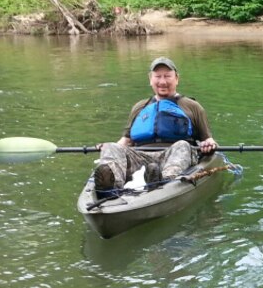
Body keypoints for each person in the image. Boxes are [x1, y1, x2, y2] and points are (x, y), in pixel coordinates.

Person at [92, 57, 218, 199]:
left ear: (176, 78)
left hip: (173, 155)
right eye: (158, 76)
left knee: (182, 145)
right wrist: (108, 148)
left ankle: (163, 182)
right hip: (141, 156)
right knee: (111, 147)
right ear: (150, 79)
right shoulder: (140, 107)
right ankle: (111, 186)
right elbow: (125, 141)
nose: (162, 82)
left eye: (167, 76)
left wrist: (208, 145)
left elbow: (208, 140)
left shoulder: (192, 107)